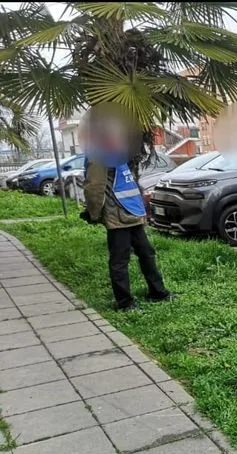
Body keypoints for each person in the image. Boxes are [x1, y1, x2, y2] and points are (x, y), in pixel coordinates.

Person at [81, 112, 172, 311]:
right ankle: (125, 303)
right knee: (120, 260)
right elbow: (93, 186)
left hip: (133, 212)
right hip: (117, 215)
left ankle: (158, 292)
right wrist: (95, 213)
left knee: (146, 252)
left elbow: (128, 179)